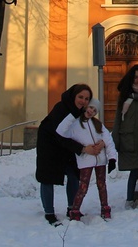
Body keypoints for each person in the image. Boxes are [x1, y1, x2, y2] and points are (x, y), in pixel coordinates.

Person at [36, 84, 103, 225]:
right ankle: (49, 213)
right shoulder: (61, 108)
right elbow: (60, 136)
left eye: (86, 98)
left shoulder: (82, 113)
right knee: (48, 177)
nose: (83, 101)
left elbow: (90, 129)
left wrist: (100, 142)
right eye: (80, 97)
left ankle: (72, 208)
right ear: (74, 96)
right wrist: (84, 149)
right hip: (49, 144)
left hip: (67, 146)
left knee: (73, 174)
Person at [56, 99, 117, 221]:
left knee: (102, 185)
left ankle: (105, 207)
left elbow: (108, 140)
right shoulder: (75, 124)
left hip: (100, 160)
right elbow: (60, 130)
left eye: (95, 110)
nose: (91, 111)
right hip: (85, 160)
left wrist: (112, 158)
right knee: (83, 186)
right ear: (86, 107)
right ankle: (75, 210)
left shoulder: (98, 124)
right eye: (90, 108)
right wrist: (73, 114)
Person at [112, 64, 138, 208]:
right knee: (134, 171)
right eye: (135, 77)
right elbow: (118, 118)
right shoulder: (124, 96)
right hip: (129, 138)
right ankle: (130, 199)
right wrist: (115, 139)